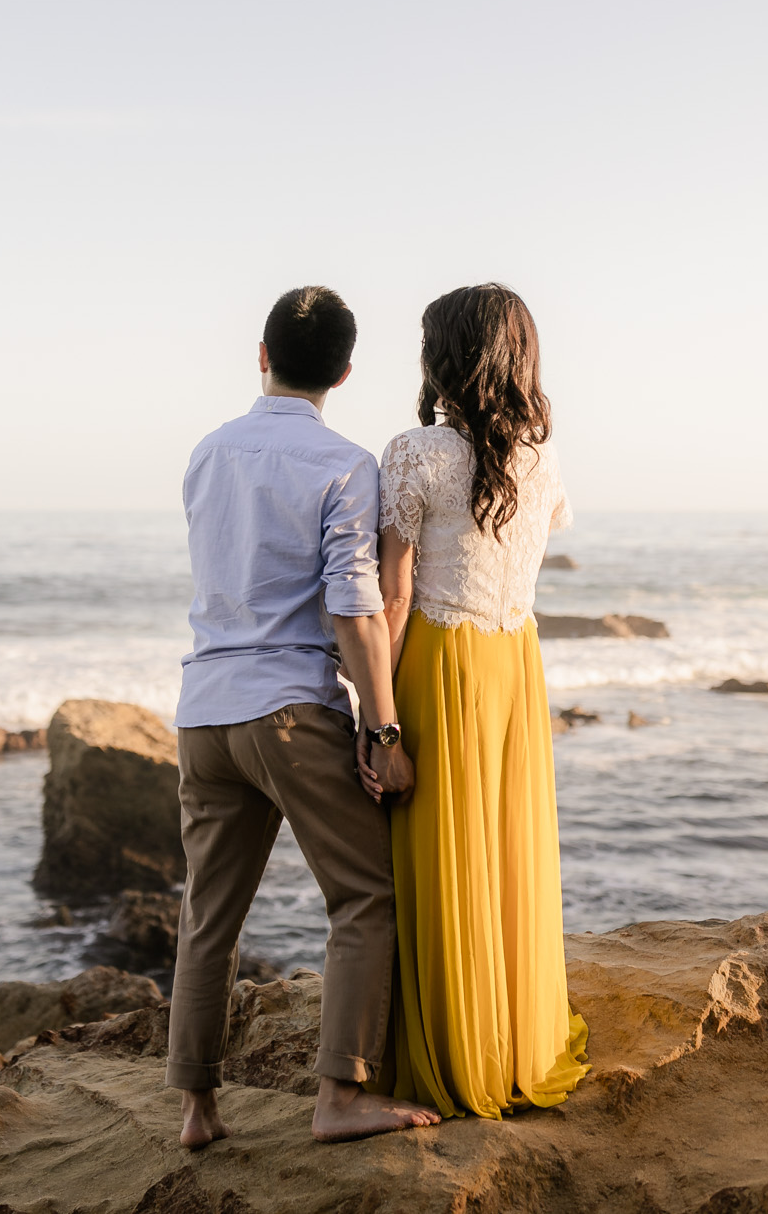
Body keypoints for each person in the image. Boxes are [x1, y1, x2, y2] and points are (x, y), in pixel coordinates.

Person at [168, 286, 441, 1147]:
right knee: (365, 894)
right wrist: (383, 729)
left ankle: (197, 1109)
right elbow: (356, 606)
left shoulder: (207, 454)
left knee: (209, 914)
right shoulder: (345, 464)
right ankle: (340, 1094)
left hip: (203, 712)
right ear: (347, 371)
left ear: (261, 354)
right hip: (287, 711)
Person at [361, 282, 590, 1119]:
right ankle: (517, 1040)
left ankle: (454, 1052)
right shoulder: (543, 456)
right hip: (513, 665)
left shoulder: (416, 453)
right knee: (507, 851)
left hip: (441, 664)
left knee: (440, 857)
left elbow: (391, 596)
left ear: (443, 357)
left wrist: (374, 718)